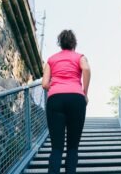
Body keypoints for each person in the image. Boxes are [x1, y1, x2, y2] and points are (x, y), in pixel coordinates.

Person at [42, 29, 91, 174]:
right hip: (76, 98)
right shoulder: (80, 57)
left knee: (56, 147)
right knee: (72, 147)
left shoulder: (51, 59)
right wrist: (85, 93)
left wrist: (57, 87)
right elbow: (86, 69)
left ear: (60, 43)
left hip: (55, 99)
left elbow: (44, 84)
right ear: (73, 44)